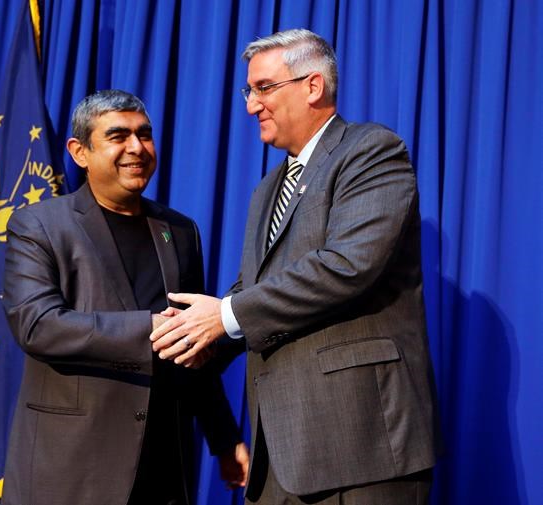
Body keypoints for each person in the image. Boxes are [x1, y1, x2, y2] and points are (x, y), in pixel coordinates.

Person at [151, 29, 438, 504]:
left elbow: (346, 266)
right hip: (280, 451)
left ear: (313, 86)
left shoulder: (370, 151)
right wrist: (199, 338)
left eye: (263, 88)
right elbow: (253, 288)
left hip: (360, 446)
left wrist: (222, 317)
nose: (251, 106)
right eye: (249, 91)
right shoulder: (268, 189)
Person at [1, 89, 248, 505]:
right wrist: (150, 328)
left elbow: (193, 348)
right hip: (73, 470)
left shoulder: (180, 230)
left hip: (163, 469)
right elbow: (37, 325)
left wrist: (223, 438)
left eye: (144, 134)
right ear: (79, 152)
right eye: (118, 136)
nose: (137, 147)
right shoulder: (39, 225)